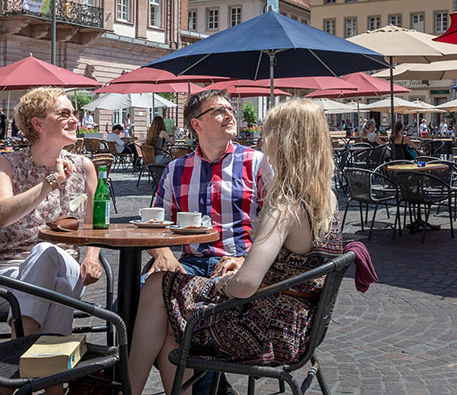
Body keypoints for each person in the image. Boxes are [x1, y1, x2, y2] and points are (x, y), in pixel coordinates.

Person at [129, 98, 342, 395]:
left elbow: (244, 286)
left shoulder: (284, 206)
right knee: (166, 319)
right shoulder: (326, 197)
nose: (262, 141)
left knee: (156, 288)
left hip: (265, 327)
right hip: (298, 322)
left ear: (283, 142)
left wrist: (222, 282)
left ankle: (126, 389)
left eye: (268, 133)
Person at [0, 88, 102, 393]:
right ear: (37, 124)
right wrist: (50, 183)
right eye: (64, 113)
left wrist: (92, 256)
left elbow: (94, 223)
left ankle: (4, 381)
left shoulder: (84, 167)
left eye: (74, 113)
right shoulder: (6, 164)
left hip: (66, 265)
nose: (75, 119)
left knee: (52, 259)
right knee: (57, 283)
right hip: (2, 274)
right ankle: (52, 388)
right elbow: (1, 215)